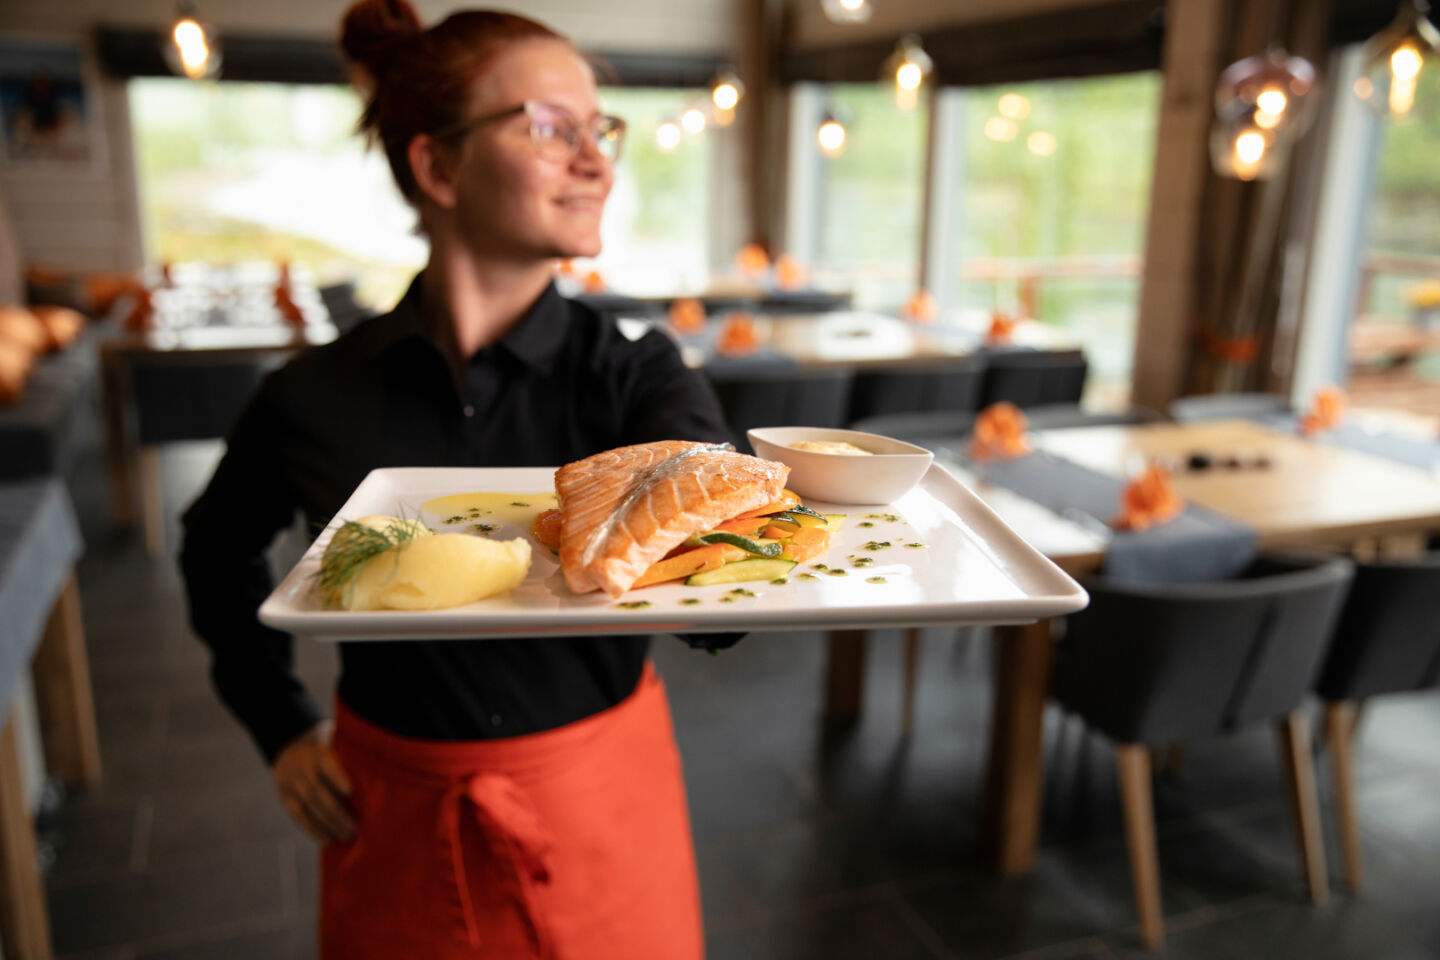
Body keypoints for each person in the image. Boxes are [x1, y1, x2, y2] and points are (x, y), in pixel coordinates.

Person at [178, 3, 731, 957]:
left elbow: (715, 596)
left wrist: (701, 521)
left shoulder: (637, 376)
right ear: (437, 167)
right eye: (552, 128)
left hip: (600, 812)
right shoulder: (312, 395)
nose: (597, 161)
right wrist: (280, 724)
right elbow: (212, 552)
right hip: (389, 814)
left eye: (599, 130)